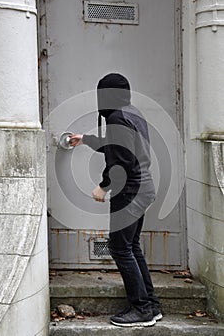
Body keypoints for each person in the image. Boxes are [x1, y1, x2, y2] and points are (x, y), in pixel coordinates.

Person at [70, 73, 162, 327]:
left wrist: (103, 186)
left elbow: (122, 161)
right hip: (143, 186)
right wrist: (86, 140)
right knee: (130, 246)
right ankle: (151, 305)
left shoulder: (117, 117)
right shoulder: (131, 112)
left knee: (120, 248)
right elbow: (119, 144)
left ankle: (142, 308)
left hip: (130, 190)